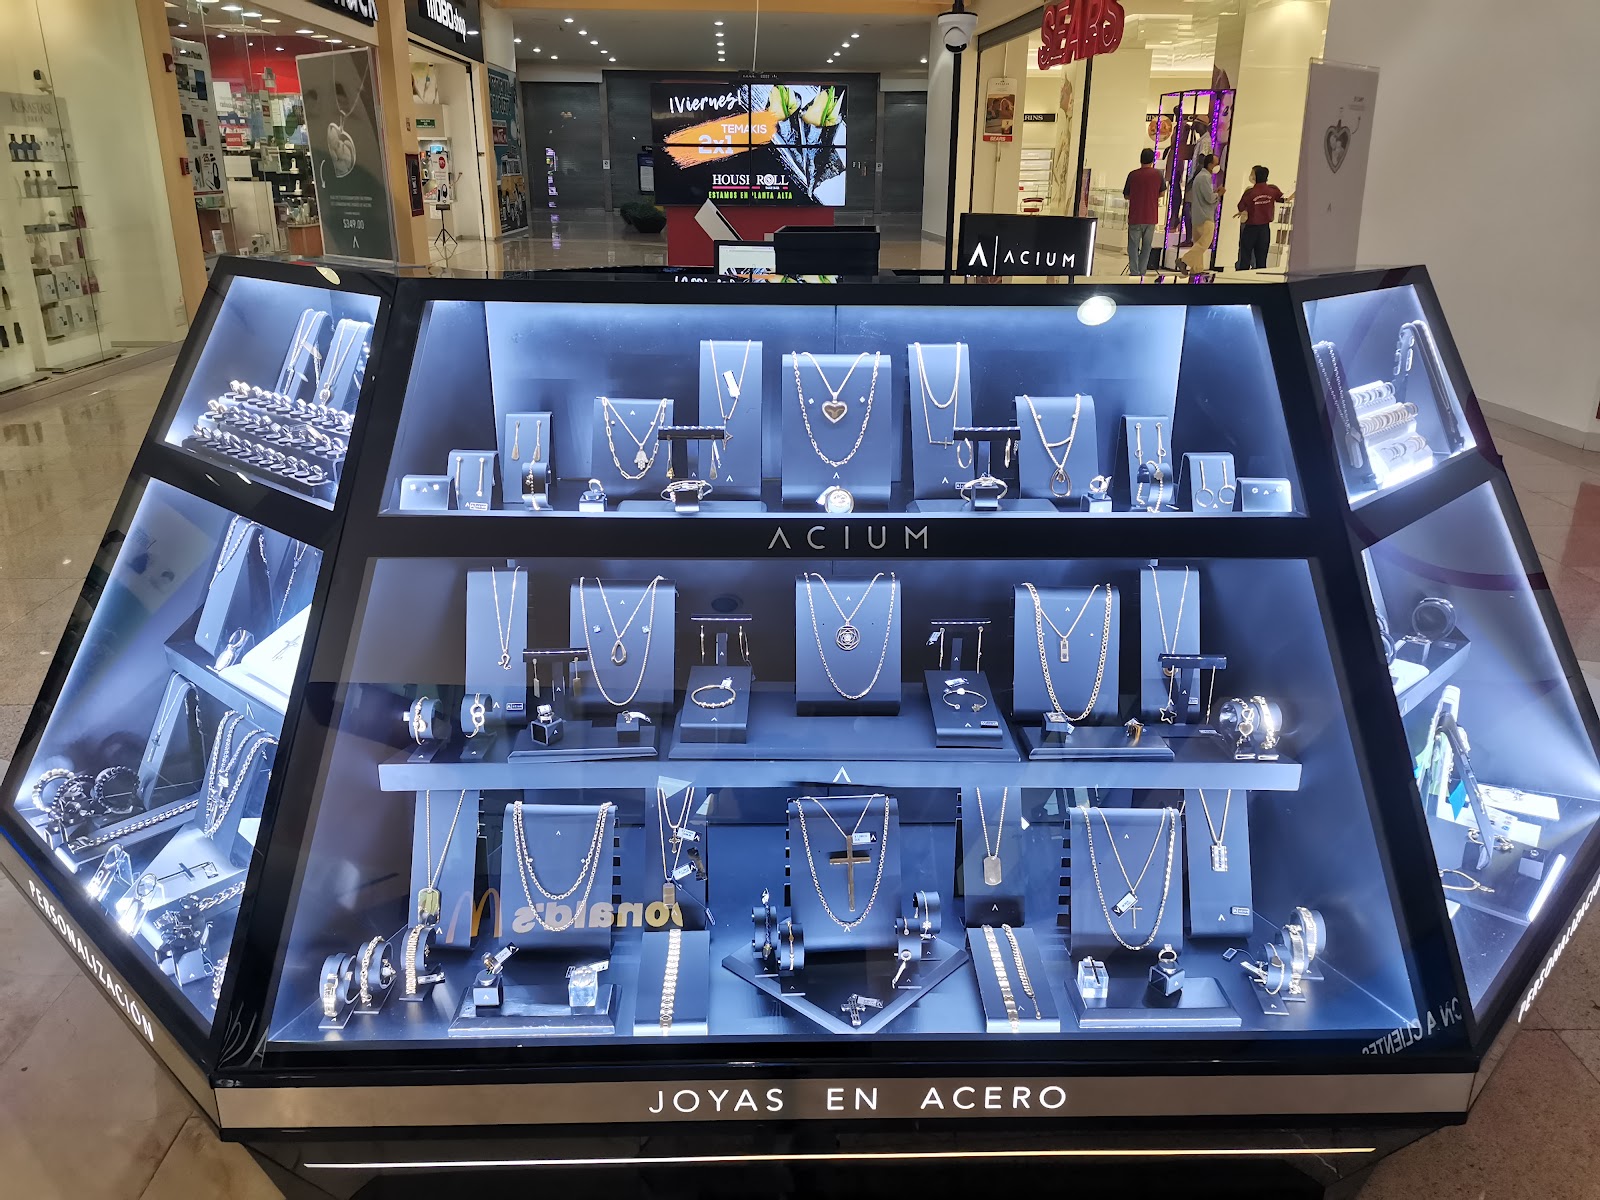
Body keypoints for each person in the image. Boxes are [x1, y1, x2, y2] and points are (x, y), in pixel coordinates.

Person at [1122, 147, 1165, 277]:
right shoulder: (1158, 174)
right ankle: (1142, 271)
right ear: (1153, 160)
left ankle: (1134, 271)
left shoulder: (1132, 175)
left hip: (1135, 216)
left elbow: (1126, 195)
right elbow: (1162, 193)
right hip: (1151, 216)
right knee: (1147, 246)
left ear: (1140, 159)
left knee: (1133, 246)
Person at [1235, 165, 1285, 271]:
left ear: (1255, 176)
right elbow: (1283, 199)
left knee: (1245, 257)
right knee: (1262, 258)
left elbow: (1240, 206)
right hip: (1264, 229)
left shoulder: (1250, 193)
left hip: (1250, 228)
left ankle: (1241, 277)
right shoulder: (1273, 190)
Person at [1179, 153, 1223, 274]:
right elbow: (1209, 198)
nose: (1218, 166)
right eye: (1216, 163)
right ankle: (1184, 261)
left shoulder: (1200, 177)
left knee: (1198, 243)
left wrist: (1215, 193)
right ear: (1210, 165)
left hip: (1198, 215)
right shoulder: (1204, 177)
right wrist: (1218, 194)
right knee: (1204, 243)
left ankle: (1197, 269)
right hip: (1205, 216)